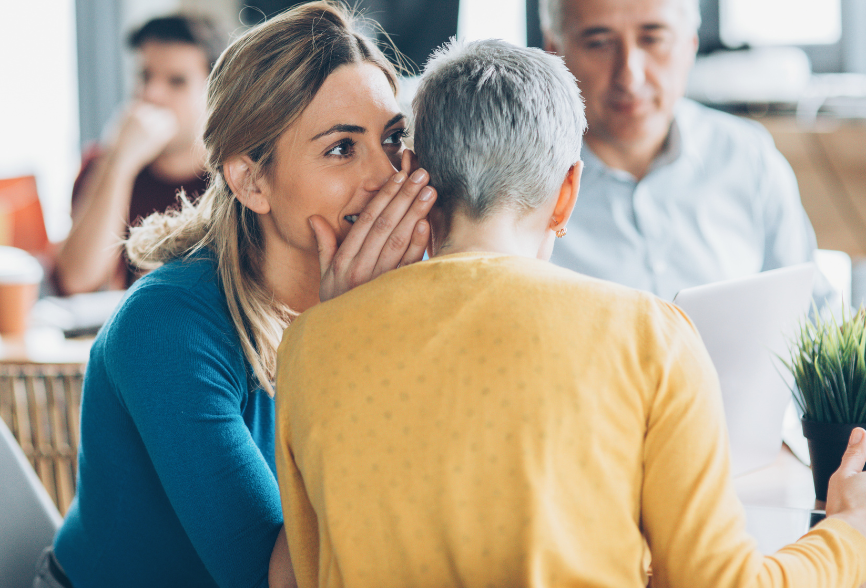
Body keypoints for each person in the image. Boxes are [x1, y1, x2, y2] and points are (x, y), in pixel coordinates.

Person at [274, 38, 866, 587]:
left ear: (417, 178)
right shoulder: (647, 332)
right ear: (567, 193)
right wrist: (846, 533)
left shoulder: (309, 342)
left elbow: (301, 572)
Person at [42, 1, 437, 587]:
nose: (386, 177)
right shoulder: (166, 328)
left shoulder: (375, 296)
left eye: (391, 138)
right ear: (252, 180)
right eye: (340, 148)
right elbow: (279, 579)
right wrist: (354, 339)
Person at [540, 0, 828, 303]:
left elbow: (813, 315)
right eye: (599, 42)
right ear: (554, 53)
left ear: (690, 45)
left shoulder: (747, 157)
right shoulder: (521, 189)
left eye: (653, 38)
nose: (630, 75)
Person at [53, 14, 229, 295]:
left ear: (216, 92)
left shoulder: (236, 174)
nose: (152, 94)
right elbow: (75, 280)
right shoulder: (103, 164)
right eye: (145, 76)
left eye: (176, 81)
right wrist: (119, 165)